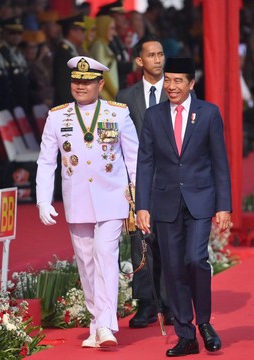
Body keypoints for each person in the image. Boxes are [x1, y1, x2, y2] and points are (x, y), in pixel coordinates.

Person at [36, 56, 138, 348]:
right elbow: (46, 161)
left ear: (100, 84)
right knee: (85, 262)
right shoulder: (58, 116)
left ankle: (106, 325)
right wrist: (44, 199)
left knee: (105, 256)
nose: (80, 86)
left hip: (112, 197)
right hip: (77, 199)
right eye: (76, 81)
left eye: (87, 81)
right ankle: (96, 321)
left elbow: (134, 157)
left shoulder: (117, 113)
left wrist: (137, 193)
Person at [135, 57, 231, 357]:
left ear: (191, 83)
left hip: (200, 200)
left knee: (195, 259)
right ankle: (185, 334)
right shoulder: (153, 116)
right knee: (173, 268)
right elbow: (145, 163)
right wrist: (142, 206)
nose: (172, 86)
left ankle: (204, 323)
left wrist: (224, 205)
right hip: (165, 203)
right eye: (168, 80)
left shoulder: (208, 113)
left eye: (179, 81)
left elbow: (220, 162)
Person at [115, 35, 171, 328]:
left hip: (172, 179)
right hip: (138, 179)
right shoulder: (125, 96)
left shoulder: (178, 90)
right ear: (139, 61)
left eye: (161, 54)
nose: (158, 59)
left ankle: (171, 303)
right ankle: (147, 303)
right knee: (140, 242)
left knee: (170, 241)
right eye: (151, 55)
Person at [52, 15, 87, 107]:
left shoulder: (70, 51)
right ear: (72, 32)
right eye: (82, 30)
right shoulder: (64, 53)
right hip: (67, 108)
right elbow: (64, 85)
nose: (85, 34)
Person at [90, 15, 119, 100]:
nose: (114, 33)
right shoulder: (99, 46)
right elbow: (102, 72)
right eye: (111, 29)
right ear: (103, 28)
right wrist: (115, 93)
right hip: (105, 95)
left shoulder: (104, 45)